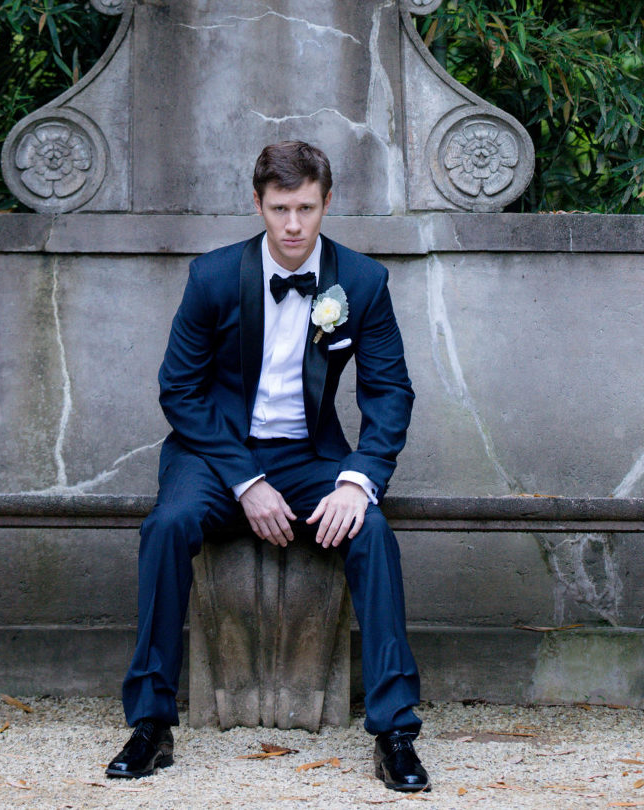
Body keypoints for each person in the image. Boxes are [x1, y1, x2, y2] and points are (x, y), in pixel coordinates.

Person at [107, 139, 429, 793]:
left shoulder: (361, 282)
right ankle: (149, 724)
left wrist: (358, 478)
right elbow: (180, 391)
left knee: (372, 531)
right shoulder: (214, 278)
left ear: (326, 203)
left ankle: (395, 731)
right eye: (279, 208)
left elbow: (391, 392)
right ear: (258, 203)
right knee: (166, 526)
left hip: (311, 456)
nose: (292, 225)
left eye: (306, 208)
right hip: (216, 454)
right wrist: (245, 480)